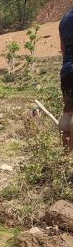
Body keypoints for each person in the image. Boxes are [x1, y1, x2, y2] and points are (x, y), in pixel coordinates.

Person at [59, 8, 73, 150]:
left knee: (68, 112)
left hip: (67, 70)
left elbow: (63, 48)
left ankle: (65, 156)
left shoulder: (65, 19)